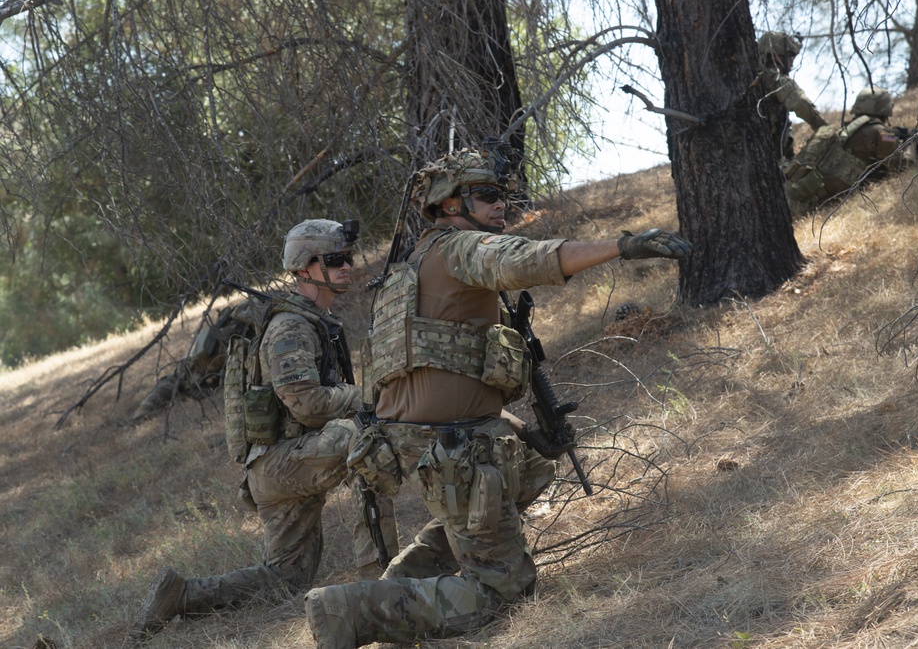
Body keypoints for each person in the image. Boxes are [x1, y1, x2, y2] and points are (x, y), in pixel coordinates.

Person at [303, 147, 692, 648]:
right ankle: (350, 611)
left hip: (425, 438)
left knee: (528, 461)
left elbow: (446, 380)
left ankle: (409, 577)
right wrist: (624, 245)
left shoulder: (415, 263)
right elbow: (522, 260)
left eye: (503, 196)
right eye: (486, 196)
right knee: (504, 594)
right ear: (448, 205)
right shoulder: (460, 249)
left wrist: (521, 430)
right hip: (451, 447)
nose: (500, 205)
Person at [130, 219, 399, 642]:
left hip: (283, 461)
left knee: (286, 579)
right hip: (282, 461)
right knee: (362, 438)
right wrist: (363, 399)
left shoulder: (315, 318)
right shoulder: (290, 327)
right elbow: (308, 406)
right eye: (335, 259)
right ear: (305, 269)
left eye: (346, 257)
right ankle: (383, 586)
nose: (347, 265)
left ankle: (181, 596)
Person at [784, 86, 918, 216]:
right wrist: (912, 143)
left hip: (796, 195)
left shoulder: (836, 131)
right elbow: (901, 166)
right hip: (816, 204)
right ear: (885, 109)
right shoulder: (880, 132)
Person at [131, 300, 258, 423]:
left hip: (214, 357)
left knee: (180, 381)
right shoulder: (243, 322)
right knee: (178, 381)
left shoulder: (244, 317)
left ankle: (143, 411)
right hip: (209, 358)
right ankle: (142, 413)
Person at [756, 31, 828, 165]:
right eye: (790, 57)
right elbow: (800, 103)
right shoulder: (774, 78)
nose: (792, 63)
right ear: (777, 56)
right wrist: (824, 128)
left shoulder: (757, 76)